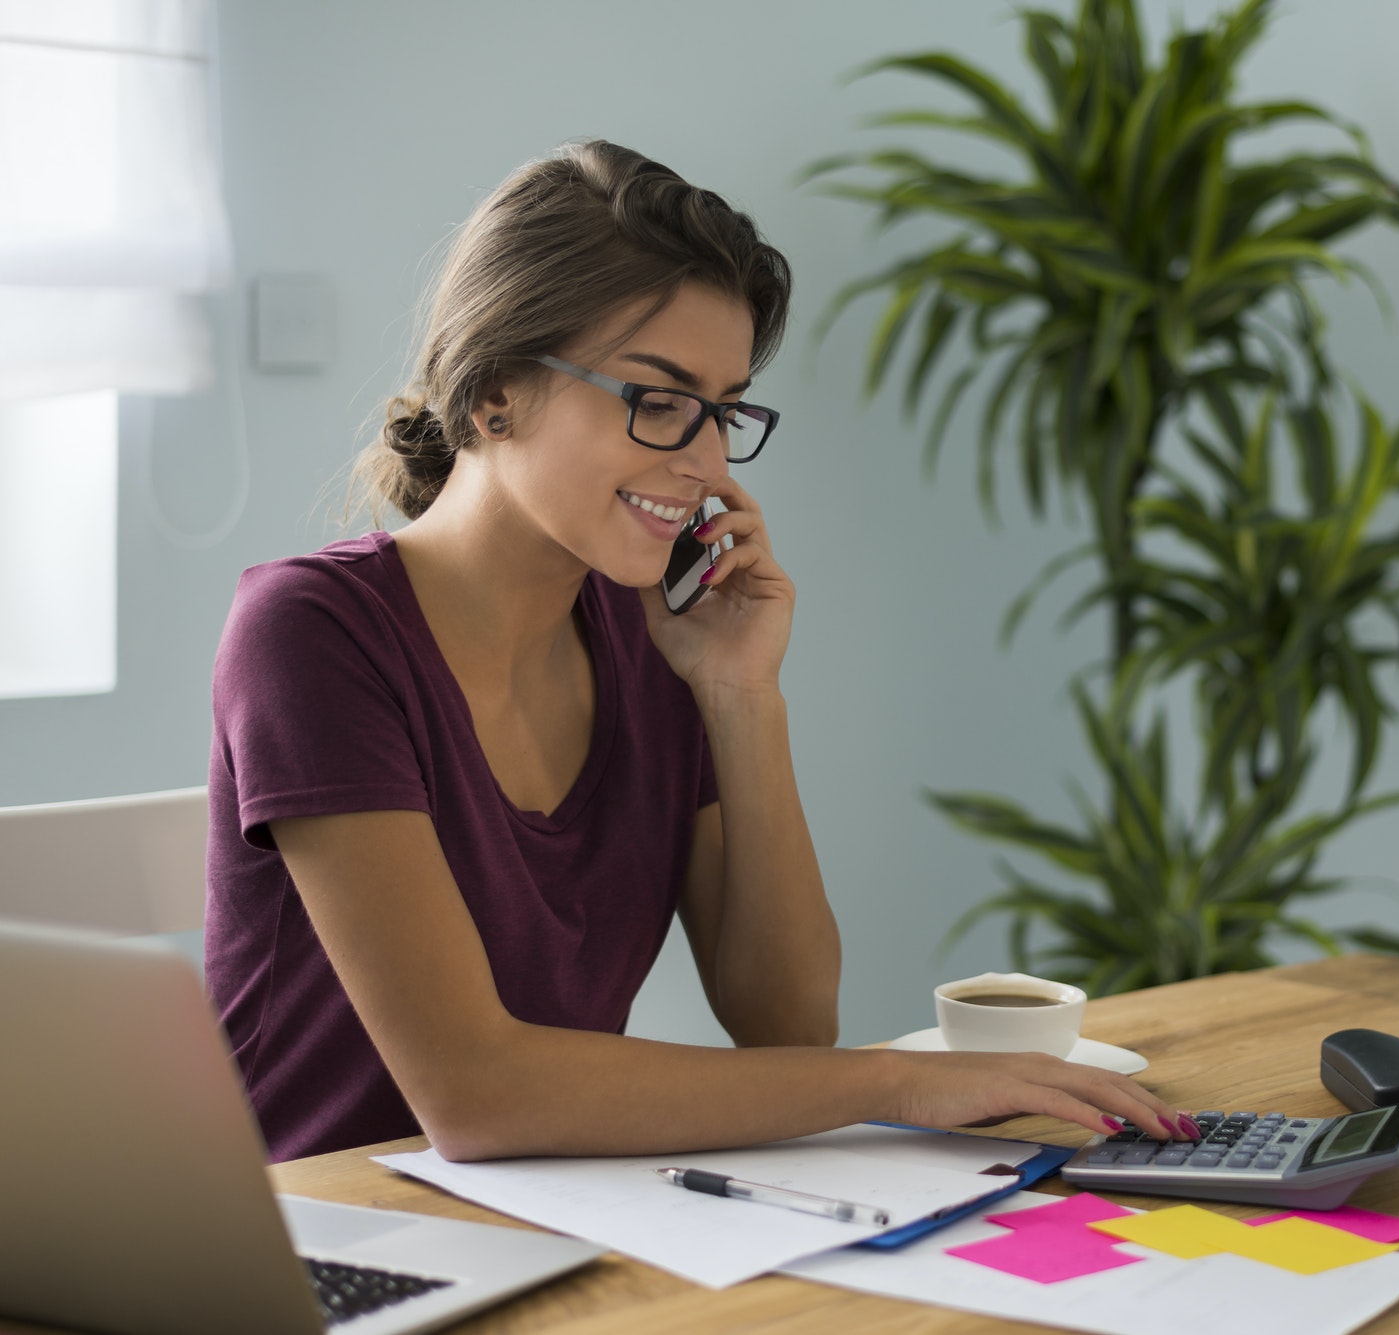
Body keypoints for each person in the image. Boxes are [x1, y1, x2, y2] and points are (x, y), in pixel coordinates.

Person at [204, 140, 1198, 1163]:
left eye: (723, 410)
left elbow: (786, 1025)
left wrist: (739, 695)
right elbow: (476, 1095)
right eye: (659, 399)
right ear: (495, 391)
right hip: (314, 1246)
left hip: (554, 1216)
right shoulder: (310, 635)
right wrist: (902, 1079)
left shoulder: (654, 637)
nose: (707, 461)